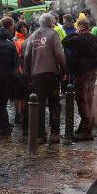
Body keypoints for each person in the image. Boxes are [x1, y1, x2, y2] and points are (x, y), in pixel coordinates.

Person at [24, 13, 66, 143]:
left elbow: (26, 56)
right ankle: (54, 133)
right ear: (50, 22)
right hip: (51, 74)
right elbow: (59, 55)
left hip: (36, 75)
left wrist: (28, 74)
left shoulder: (33, 35)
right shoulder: (53, 34)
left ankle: (40, 135)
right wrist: (63, 70)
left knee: (39, 104)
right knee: (54, 103)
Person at [62, 18, 97, 141]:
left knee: (81, 100)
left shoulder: (79, 39)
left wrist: (75, 33)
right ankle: (84, 126)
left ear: (81, 27)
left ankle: (87, 131)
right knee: (88, 99)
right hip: (92, 73)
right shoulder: (95, 39)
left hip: (81, 73)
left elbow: (65, 41)